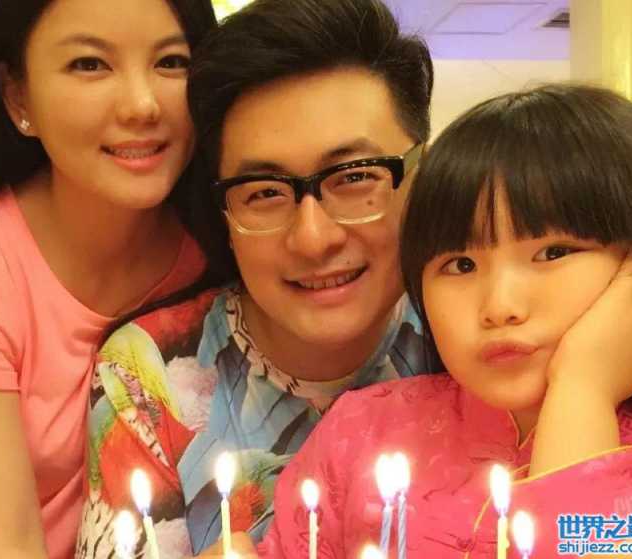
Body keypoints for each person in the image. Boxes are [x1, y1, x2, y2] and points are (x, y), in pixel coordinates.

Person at [74, 0, 436, 557]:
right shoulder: (150, 376)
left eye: (354, 177)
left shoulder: (479, 335)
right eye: (264, 192)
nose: (313, 238)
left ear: (423, 175)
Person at [0, 0, 217, 557]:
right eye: (89, 64)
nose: (143, 105)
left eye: (172, 61)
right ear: (17, 96)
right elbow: (5, 548)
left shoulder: (219, 252)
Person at [261, 84, 632, 558]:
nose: (500, 305)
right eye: (461, 265)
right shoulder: (363, 430)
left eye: (553, 252)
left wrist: (582, 393)